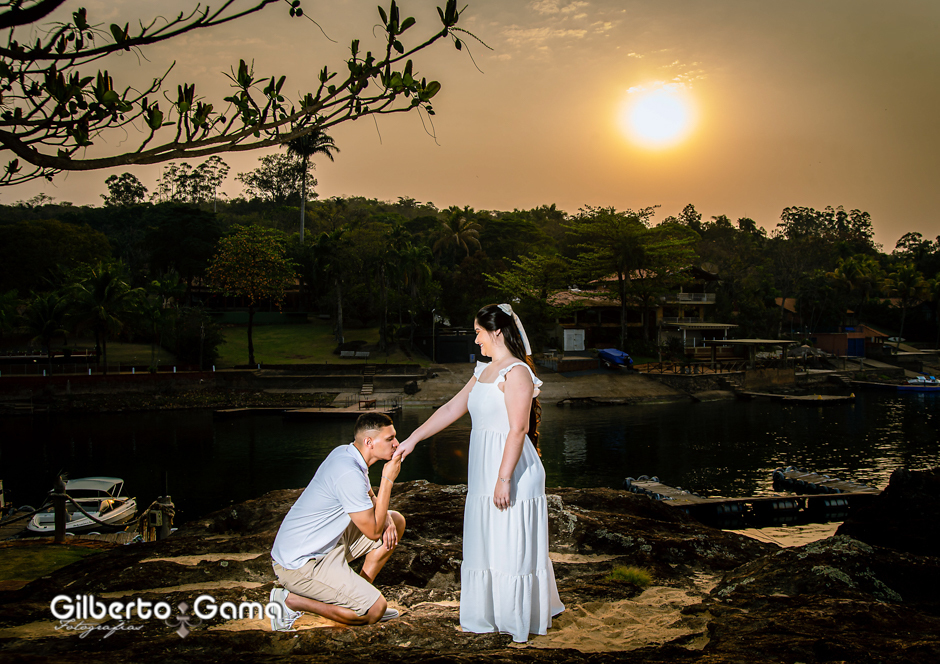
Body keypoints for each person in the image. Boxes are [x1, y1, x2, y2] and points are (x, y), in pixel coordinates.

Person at [396, 303, 564, 642]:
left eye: (478, 332)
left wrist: (503, 479)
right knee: (488, 542)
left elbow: (518, 429)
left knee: (509, 546)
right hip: (485, 472)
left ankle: (516, 620)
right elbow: (450, 408)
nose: (476, 340)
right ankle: (488, 615)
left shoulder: (516, 372)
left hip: (512, 471)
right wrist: (413, 439)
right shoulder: (483, 371)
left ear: (496, 331)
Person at [268, 412, 406, 631]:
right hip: (300, 564)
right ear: (369, 442)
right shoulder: (347, 471)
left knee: (395, 520)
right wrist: (387, 479)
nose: (396, 444)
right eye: (390, 439)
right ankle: (289, 601)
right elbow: (372, 532)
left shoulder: (346, 452)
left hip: (325, 546)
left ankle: (359, 598)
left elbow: (369, 493)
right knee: (374, 611)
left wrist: (387, 518)